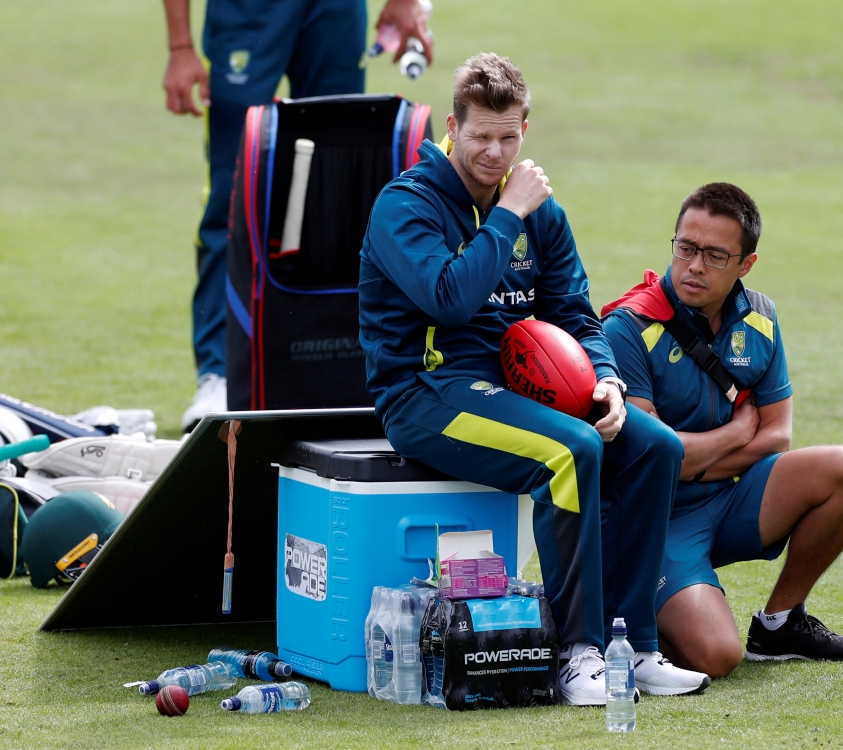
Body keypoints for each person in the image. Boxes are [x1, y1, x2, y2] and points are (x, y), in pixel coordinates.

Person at [358, 53, 710, 705]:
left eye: (509, 136)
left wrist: (605, 381)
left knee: (656, 445)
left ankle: (632, 647)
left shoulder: (541, 213)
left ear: (527, 129)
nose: (494, 152)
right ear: (453, 128)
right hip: (427, 394)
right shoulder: (405, 204)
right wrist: (507, 215)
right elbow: (449, 300)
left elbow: (575, 312)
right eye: (480, 136)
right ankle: (576, 654)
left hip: (521, 391)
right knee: (569, 452)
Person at [602, 183, 843, 678]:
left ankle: (779, 625)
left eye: (714, 255)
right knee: (717, 657)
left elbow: (776, 437)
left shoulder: (762, 318)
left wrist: (704, 454)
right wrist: (736, 433)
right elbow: (658, 455)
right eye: (685, 248)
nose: (694, 266)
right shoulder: (626, 328)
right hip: (658, 522)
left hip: (729, 500)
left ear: (745, 265)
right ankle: (635, 609)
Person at [160, 0, 434, 430]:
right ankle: (219, 373)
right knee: (233, 191)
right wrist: (180, 46)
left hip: (335, 9)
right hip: (246, 10)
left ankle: (343, 367)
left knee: (339, 178)